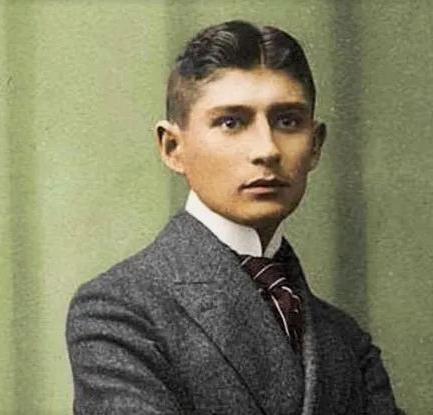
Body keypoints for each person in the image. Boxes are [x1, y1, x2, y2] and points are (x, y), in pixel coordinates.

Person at [66, 20, 402, 414]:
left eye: (288, 121)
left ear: (315, 146)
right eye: (231, 122)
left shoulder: (345, 340)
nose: (266, 150)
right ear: (173, 147)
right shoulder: (119, 310)